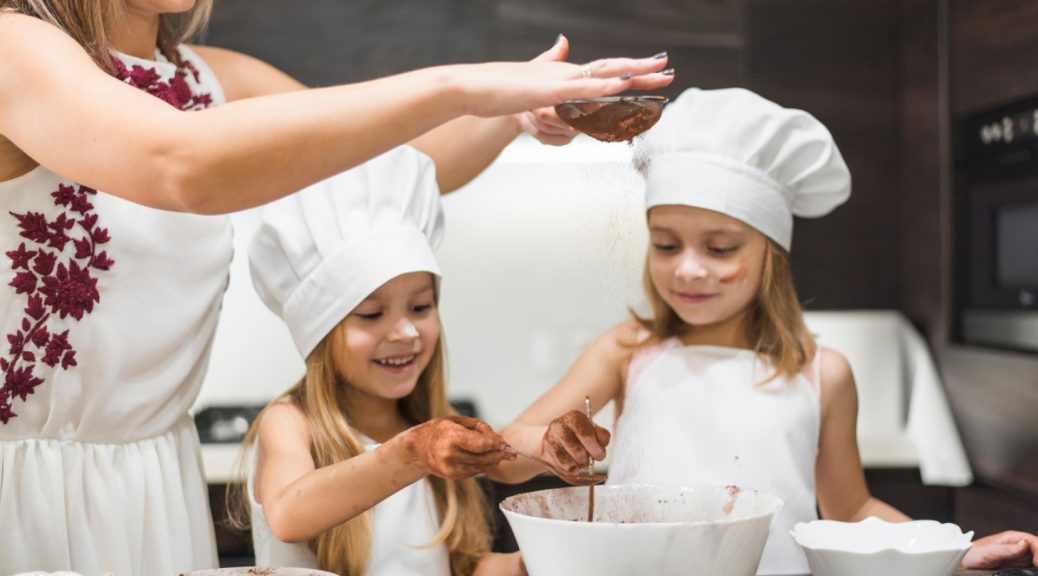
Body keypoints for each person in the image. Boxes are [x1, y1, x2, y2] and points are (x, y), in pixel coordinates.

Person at [0, 1, 673, 574]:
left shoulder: (214, 78)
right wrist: (459, 84)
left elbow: (391, 165)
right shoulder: (13, 44)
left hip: (152, 481)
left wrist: (514, 112)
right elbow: (179, 162)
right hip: (19, 483)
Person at [489, 87, 1038, 574]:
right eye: (666, 244)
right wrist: (545, 443)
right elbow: (508, 459)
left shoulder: (823, 373)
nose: (689, 268)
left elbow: (851, 511)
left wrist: (952, 555)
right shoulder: (627, 351)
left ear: (770, 252)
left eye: (720, 248)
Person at [234, 145, 522, 575]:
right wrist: (413, 454)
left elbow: (455, 567)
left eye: (420, 308)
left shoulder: (429, 426)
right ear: (322, 331)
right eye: (371, 314)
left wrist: (532, 562)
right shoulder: (292, 422)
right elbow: (288, 516)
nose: (405, 331)